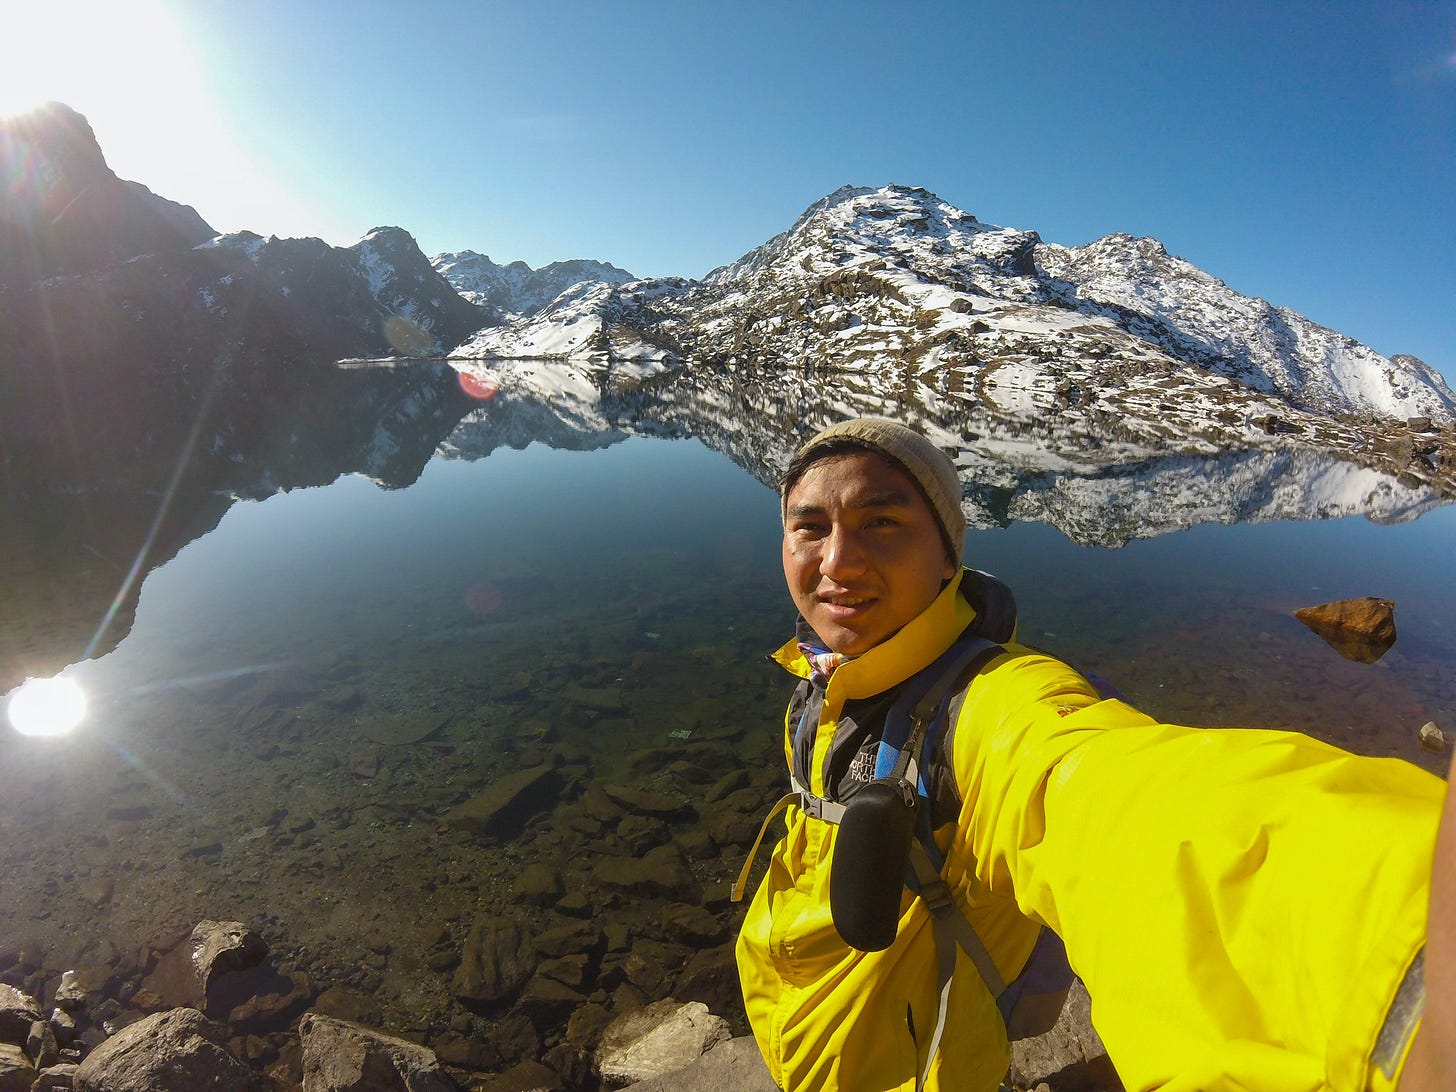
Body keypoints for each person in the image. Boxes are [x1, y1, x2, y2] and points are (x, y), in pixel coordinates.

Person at [733, 417, 1450, 1092]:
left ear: (948, 551)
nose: (837, 562)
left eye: (881, 522)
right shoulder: (824, 672)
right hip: (801, 1022)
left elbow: (1128, 801)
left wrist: (1407, 985)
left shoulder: (994, 707)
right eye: (809, 528)